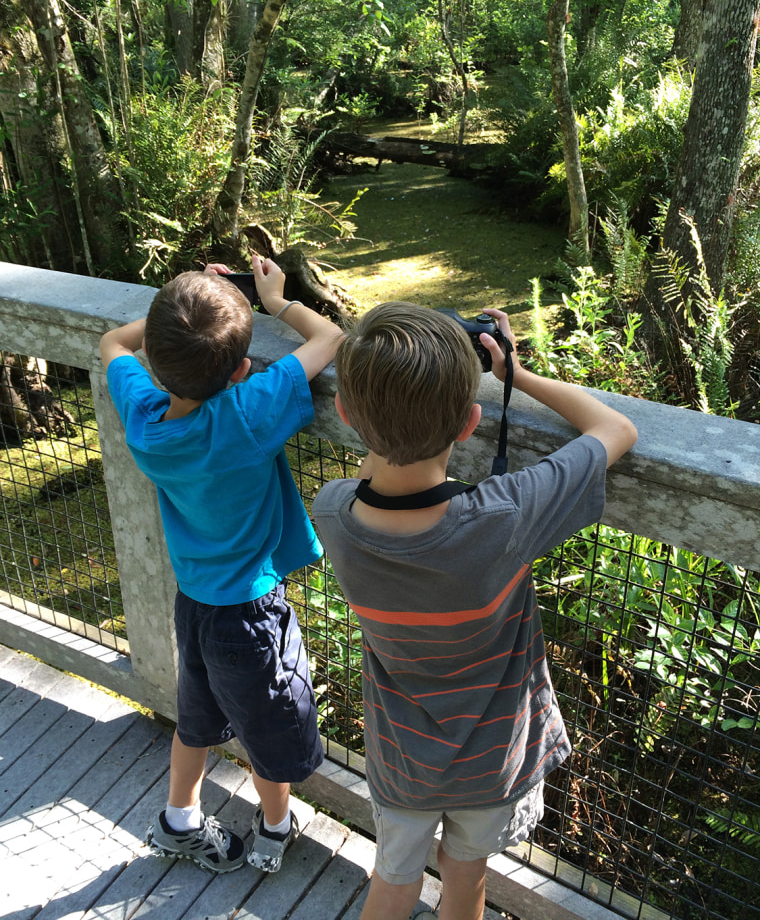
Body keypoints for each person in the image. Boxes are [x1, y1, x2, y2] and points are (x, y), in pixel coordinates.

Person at [312, 302, 637, 920]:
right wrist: (516, 372)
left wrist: (390, 404)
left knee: (393, 876)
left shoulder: (333, 513)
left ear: (348, 415)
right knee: (466, 880)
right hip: (493, 760)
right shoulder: (505, 515)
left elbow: (371, 476)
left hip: (401, 755)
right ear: (470, 424)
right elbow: (616, 430)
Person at [99, 257, 343, 874]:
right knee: (268, 727)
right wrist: (274, 301)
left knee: (197, 717)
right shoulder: (248, 411)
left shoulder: (145, 417)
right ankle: (276, 825)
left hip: (196, 604)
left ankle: (179, 819)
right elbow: (329, 338)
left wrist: (185, 307)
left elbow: (111, 342)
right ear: (241, 369)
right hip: (253, 615)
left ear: (155, 359)